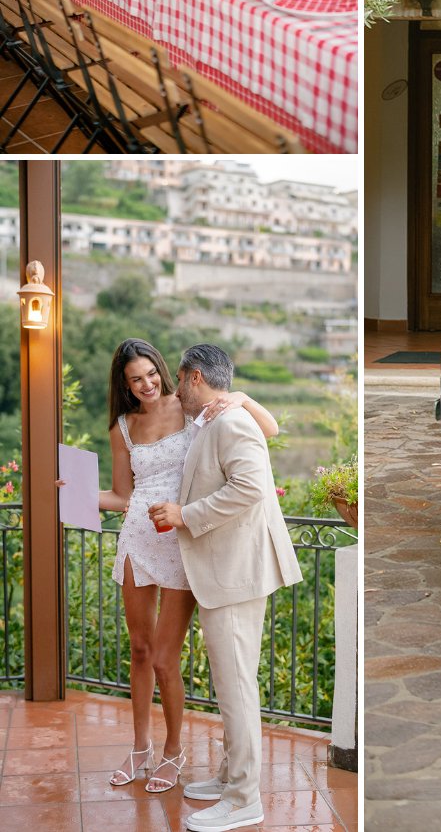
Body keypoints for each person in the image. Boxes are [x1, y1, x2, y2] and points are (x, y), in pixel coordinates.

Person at [96, 338, 280, 796]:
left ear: (165, 370)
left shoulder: (190, 404)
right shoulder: (121, 426)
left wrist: (239, 396)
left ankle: (174, 751)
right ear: (124, 384)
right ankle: (141, 746)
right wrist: (69, 493)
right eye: (135, 379)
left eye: (152, 374)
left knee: (164, 659)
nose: (147, 385)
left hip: (181, 539)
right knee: (139, 650)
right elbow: (121, 497)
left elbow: (269, 430)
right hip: (139, 536)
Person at [149, 343, 301, 832]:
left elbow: (250, 487)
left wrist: (184, 516)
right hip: (227, 572)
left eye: (178, 377)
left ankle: (243, 799)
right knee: (231, 686)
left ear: (195, 377)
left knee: (236, 689)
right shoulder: (218, 417)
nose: (175, 387)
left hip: (236, 574)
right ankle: (229, 776)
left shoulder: (231, 421)